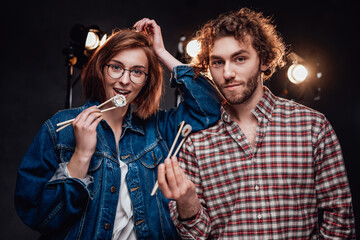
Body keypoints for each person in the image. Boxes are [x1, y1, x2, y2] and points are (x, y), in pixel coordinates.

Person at [157, 8, 356, 239]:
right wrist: (187, 202)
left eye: (240, 58)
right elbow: (195, 236)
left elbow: (340, 217)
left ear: (265, 59)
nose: (227, 72)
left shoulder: (312, 127)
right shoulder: (196, 142)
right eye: (218, 62)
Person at [14, 19, 221, 239]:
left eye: (137, 72)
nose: (124, 81)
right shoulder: (59, 128)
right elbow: (38, 215)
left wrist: (160, 52)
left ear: (146, 82)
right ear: (101, 69)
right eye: (116, 67)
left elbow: (209, 107)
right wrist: (81, 156)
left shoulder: (160, 127)